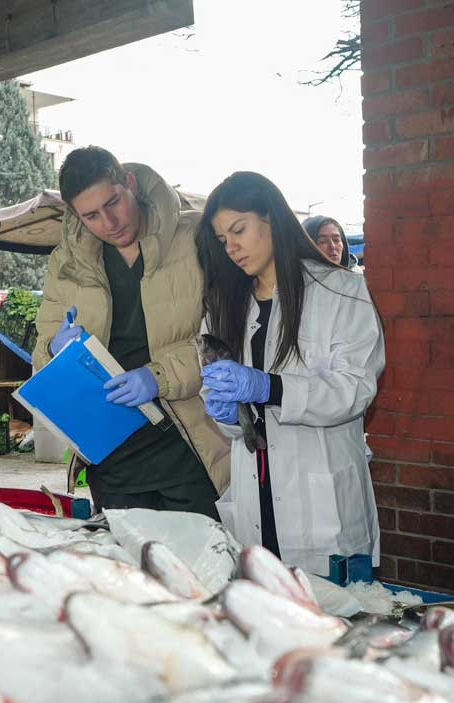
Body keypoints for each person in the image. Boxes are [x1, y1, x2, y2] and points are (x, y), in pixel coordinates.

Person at [197, 171, 385, 576]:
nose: (231, 247)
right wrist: (227, 414)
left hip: (321, 506)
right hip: (255, 497)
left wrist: (271, 387)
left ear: (272, 218)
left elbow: (355, 388)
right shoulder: (223, 306)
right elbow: (226, 410)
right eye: (222, 239)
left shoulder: (340, 290)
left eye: (239, 230)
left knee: (330, 610)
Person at [33, 146, 229, 516]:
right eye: (91, 215)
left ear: (130, 183)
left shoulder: (196, 237)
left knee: (204, 551)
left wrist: (159, 377)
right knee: (129, 554)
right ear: (75, 214)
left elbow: (229, 339)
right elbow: (41, 353)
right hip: (112, 459)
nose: (109, 223)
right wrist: (54, 352)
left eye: (113, 202)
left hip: (190, 449)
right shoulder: (66, 261)